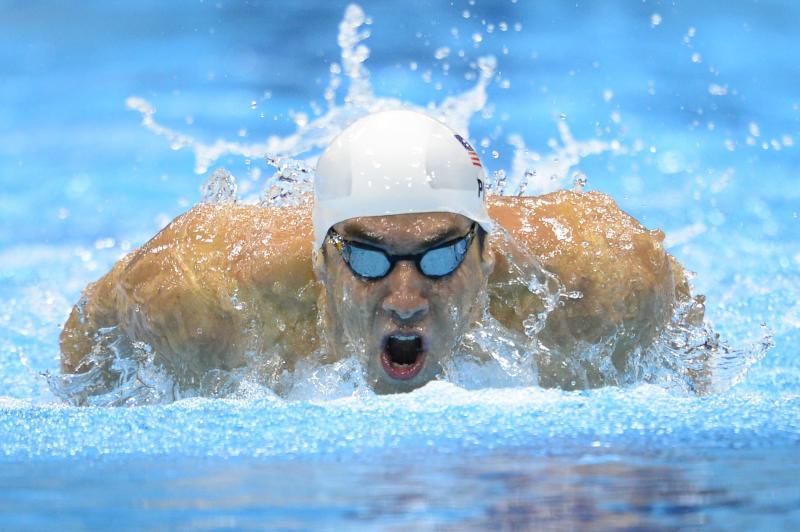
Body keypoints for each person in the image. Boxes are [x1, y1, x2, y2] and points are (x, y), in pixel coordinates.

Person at [60, 110, 695, 396]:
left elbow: (691, 340)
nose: (407, 299)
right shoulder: (203, 297)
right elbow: (89, 334)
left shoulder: (599, 282)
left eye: (441, 257)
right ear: (321, 263)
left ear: (488, 257)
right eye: (368, 259)